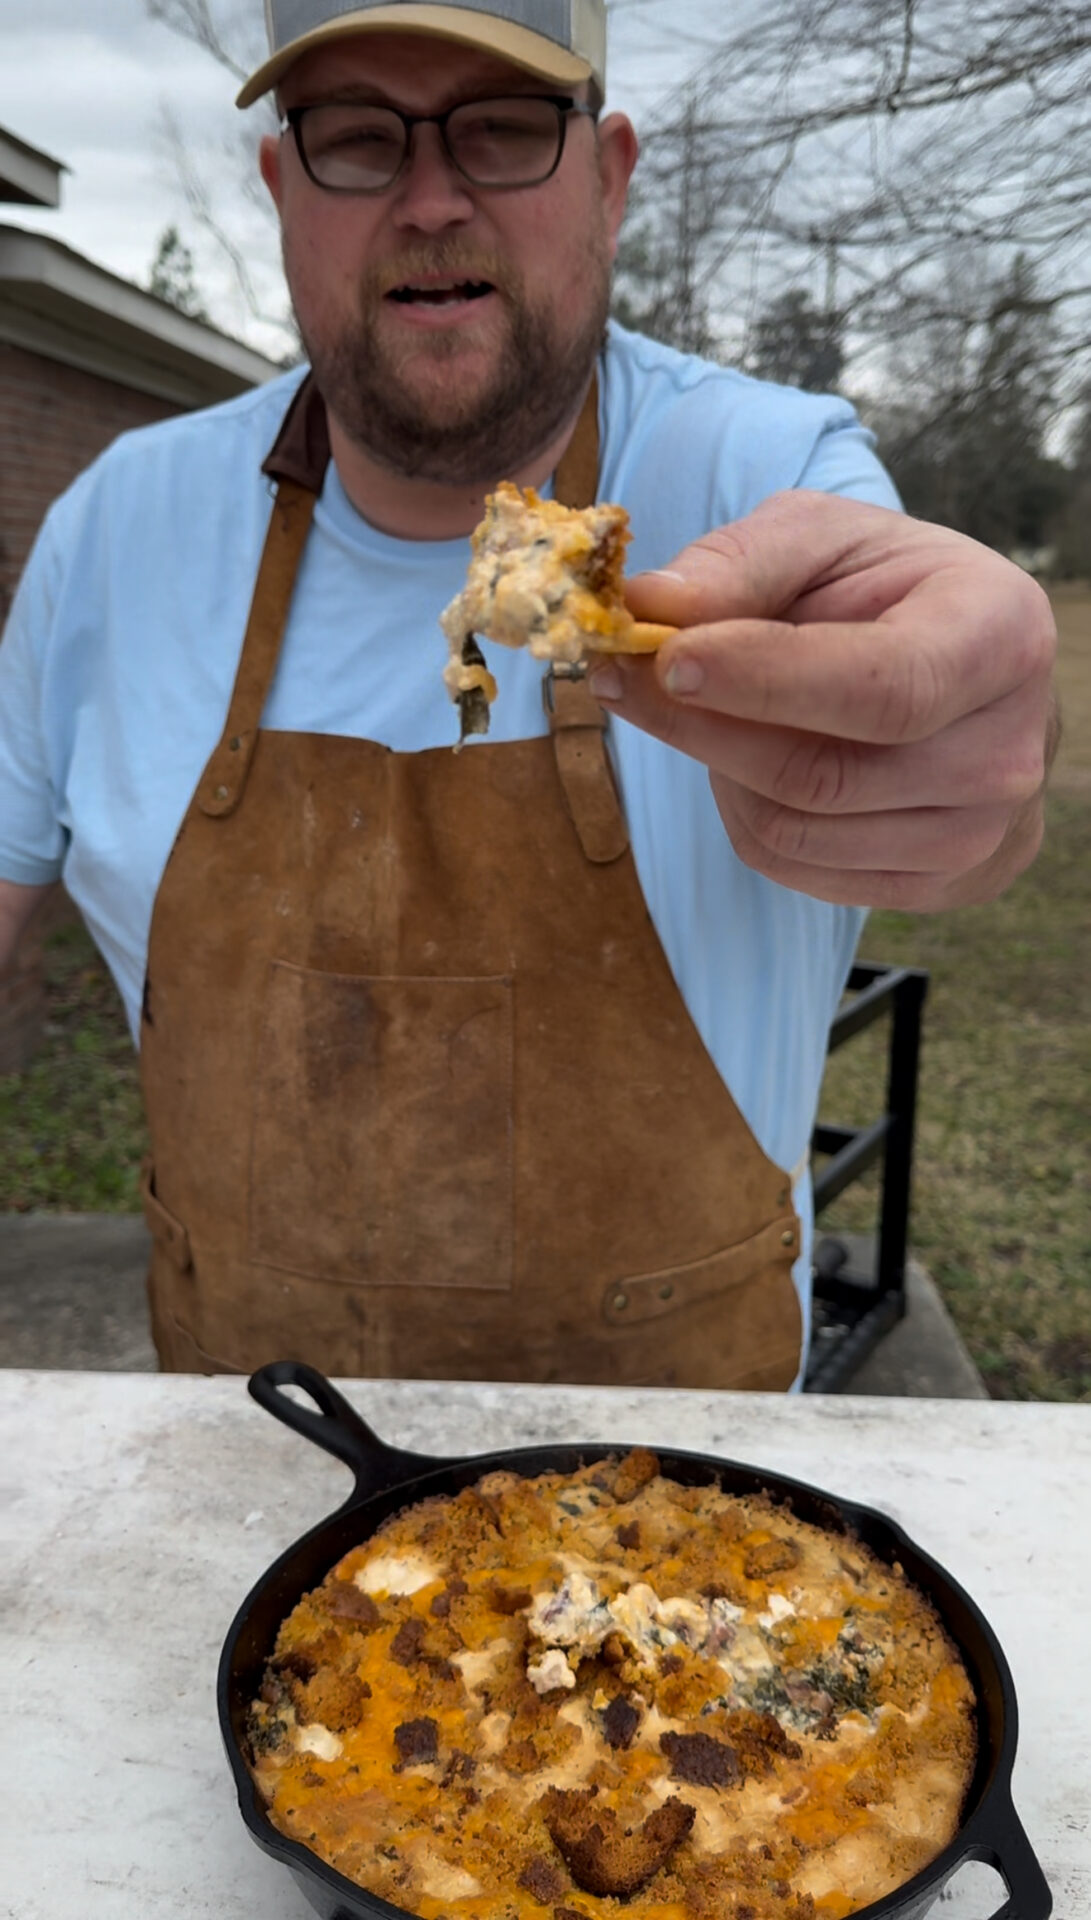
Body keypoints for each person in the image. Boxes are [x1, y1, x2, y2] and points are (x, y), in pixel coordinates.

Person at [0, 0, 1056, 1389]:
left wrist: (972, 769)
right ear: (277, 187)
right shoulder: (114, 529)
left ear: (609, 177)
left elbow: (963, 751)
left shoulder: (763, 477)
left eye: (502, 128)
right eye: (356, 137)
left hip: (684, 1522)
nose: (433, 199)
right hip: (240, 1483)